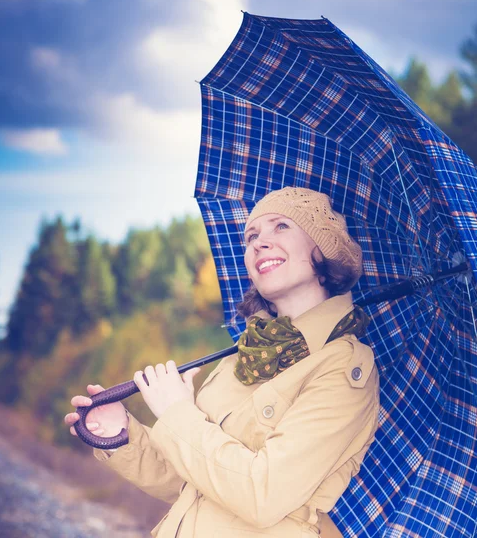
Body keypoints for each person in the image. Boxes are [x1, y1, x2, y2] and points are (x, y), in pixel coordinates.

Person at [64, 187, 380, 538]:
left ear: (323, 248)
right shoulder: (242, 357)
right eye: (252, 236)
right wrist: (121, 435)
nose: (259, 243)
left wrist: (177, 412)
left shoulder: (343, 366)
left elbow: (264, 495)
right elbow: (190, 483)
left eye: (281, 227)